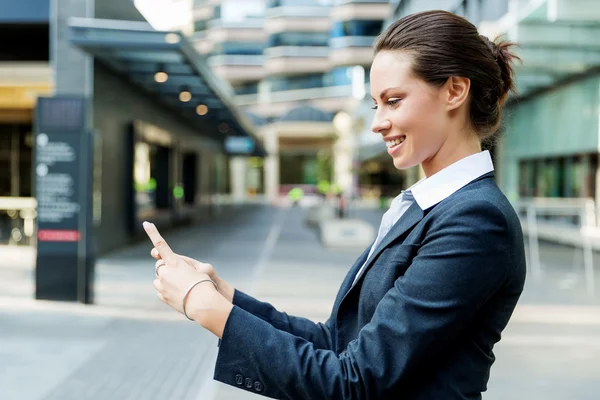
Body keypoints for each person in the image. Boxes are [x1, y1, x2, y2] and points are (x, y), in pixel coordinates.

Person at [145, 10, 526, 399]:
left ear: (455, 91)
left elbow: (354, 381)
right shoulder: (424, 207)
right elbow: (338, 341)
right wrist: (226, 298)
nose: (377, 122)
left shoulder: (475, 220)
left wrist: (206, 308)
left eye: (393, 101)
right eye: (376, 105)